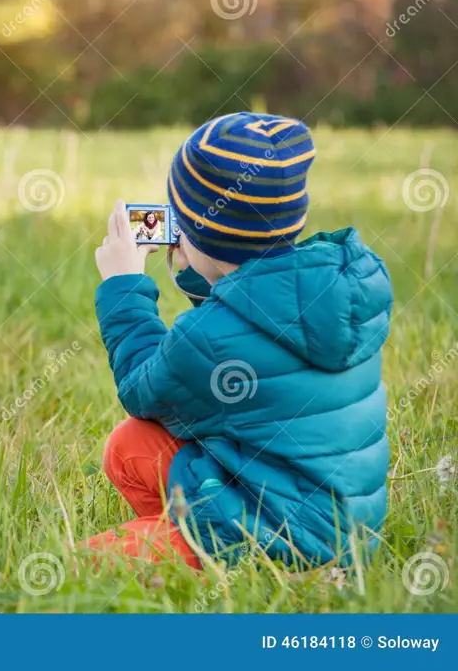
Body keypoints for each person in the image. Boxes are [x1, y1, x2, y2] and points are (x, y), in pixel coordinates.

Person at [88, 112, 392, 570]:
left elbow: (140, 387)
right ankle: (187, 540)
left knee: (87, 566)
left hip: (276, 539)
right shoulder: (338, 287)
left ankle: (204, 561)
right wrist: (198, 266)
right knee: (129, 445)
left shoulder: (210, 339)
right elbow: (248, 321)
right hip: (347, 523)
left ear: (199, 234)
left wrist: (123, 286)